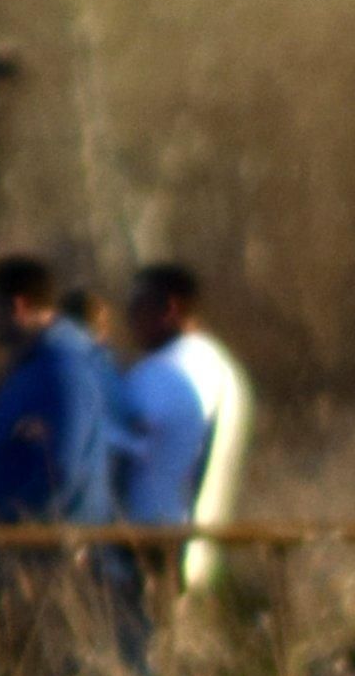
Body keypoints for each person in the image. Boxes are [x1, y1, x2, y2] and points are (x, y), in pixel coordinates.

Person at [0, 252, 112, 676]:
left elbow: (65, 464)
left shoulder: (63, 368)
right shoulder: (34, 365)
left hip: (53, 561)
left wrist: (23, 527)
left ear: (19, 306)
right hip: (24, 560)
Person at [106, 262, 255, 637]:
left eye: (136, 308)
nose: (129, 320)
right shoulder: (221, 366)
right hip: (202, 541)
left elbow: (117, 444)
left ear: (168, 309)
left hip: (154, 544)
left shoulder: (167, 371)